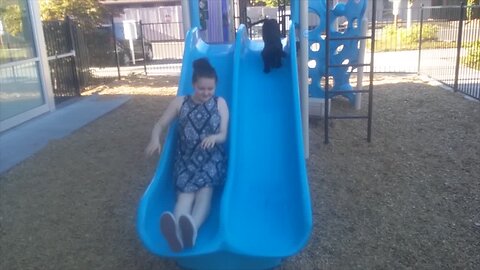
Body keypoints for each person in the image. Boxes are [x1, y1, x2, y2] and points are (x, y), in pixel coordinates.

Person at [145, 58, 229, 252]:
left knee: (204, 193)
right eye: (202, 88)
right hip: (186, 159)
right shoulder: (180, 102)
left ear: (215, 86)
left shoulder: (220, 103)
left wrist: (214, 137)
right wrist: (155, 139)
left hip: (211, 159)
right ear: (193, 85)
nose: (206, 93)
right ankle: (175, 230)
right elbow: (160, 124)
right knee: (184, 196)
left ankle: (192, 228)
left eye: (210, 88)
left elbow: (224, 134)